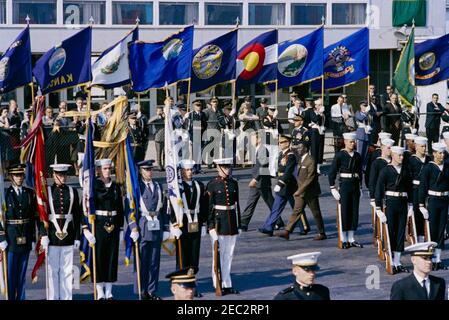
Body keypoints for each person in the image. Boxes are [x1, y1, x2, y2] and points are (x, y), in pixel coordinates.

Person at [0, 164, 46, 300]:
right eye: (16, 175)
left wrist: (41, 234)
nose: (19, 178)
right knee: (11, 274)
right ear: (11, 177)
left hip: (25, 236)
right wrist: (1, 237)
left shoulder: (30, 194)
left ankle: (21, 298)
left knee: (21, 275)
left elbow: (37, 216)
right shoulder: (5, 195)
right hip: (10, 238)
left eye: (21, 175)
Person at [82, 159, 124, 300]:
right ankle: (100, 290)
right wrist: (86, 227)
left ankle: (109, 290)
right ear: (98, 170)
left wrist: (121, 227)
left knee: (112, 256)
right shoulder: (93, 186)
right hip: (99, 224)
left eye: (109, 168)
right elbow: (86, 206)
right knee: (99, 256)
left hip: (113, 223)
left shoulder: (116, 187)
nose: (108, 171)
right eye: (105, 169)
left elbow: (120, 208)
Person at [130, 159, 170, 300]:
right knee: (142, 262)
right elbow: (130, 209)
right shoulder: (136, 187)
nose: (150, 172)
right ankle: (141, 291)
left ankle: (152, 291)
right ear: (141, 171)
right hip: (142, 228)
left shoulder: (158, 186)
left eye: (151, 169)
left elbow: (164, 208)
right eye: (147, 170)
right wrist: (133, 227)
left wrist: (166, 228)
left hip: (156, 227)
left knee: (154, 262)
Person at [170, 159, 208, 298]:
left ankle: (192, 285)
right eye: (187, 170)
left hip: (195, 224)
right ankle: (182, 285)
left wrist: (203, 223)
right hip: (183, 224)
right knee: (183, 257)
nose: (190, 172)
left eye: (191, 170)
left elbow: (203, 205)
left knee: (194, 256)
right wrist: (174, 224)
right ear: (181, 171)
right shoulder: (177, 188)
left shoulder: (199, 185)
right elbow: (172, 207)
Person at [276, 141, 327, 241]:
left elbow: (310, 178)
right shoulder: (300, 160)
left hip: (310, 192)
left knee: (316, 213)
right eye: (297, 148)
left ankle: (322, 233)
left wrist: (299, 190)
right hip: (300, 191)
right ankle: (287, 231)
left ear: (306, 149)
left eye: (300, 148)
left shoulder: (310, 160)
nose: (298, 149)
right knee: (297, 211)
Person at [260, 134, 309, 236]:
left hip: (289, 185)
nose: (279, 144)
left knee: (296, 208)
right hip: (282, 185)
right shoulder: (282, 154)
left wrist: (280, 183)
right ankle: (269, 227)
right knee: (276, 207)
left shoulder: (291, 155)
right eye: (279, 142)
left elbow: (288, 171)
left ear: (287, 143)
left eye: (282, 142)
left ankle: (303, 226)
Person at [375, 146, 413, 274]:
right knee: (391, 231)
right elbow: (379, 189)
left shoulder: (405, 171)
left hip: (402, 203)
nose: (401, 157)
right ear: (392, 155)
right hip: (391, 203)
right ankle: (390, 260)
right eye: (399, 155)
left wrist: (411, 205)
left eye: (402, 155)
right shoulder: (386, 171)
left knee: (401, 232)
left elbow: (410, 188)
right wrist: (378, 209)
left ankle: (397, 261)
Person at [46, 163, 81, 300]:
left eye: (64, 175)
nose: (62, 177)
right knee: (53, 270)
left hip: (68, 236)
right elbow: (42, 215)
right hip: (52, 236)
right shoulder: (48, 191)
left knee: (67, 270)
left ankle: (66, 297)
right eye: (59, 175)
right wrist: (43, 235)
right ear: (54, 176)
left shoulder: (72, 192)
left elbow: (77, 216)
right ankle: (53, 297)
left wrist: (77, 236)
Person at [207, 157, 242, 295]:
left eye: (228, 167)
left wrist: (238, 224)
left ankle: (227, 283)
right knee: (218, 256)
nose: (227, 170)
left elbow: (237, 205)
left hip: (231, 222)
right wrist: (210, 227)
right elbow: (209, 207)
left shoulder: (234, 183)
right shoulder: (212, 184)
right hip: (219, 223)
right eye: (224, 167)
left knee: (229, 254)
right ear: (218, 168)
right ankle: (218, 283)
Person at [328, 132, 363, 249]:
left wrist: (360, 187)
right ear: (345, 142)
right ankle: (343, 238)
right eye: (351, 142)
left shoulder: (357, 156)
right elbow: (332, 172)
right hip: (345, 185)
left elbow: (359, 172)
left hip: (354, 184)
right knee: (344, 211)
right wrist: (332, 187)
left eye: (354, 142)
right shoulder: (340, 155)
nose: (353, 144)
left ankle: (351, 238)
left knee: (354, 211)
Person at [418, 143, 449, 270]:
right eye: (439, 153)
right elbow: (423, 187)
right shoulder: (428, 168)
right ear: (434, 153)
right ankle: (430, 257)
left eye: (443, 153)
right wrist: (421, 205)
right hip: (433, 200)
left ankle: (438, 258)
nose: (442, 155)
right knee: (432, 229)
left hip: (444, 199)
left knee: (441, 229)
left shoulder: (447, 167)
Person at [240, 134, 278, 231]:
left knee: (270, 203)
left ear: (259, 139)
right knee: (251, 202)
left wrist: (255, 179)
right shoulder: (257, 149)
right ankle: (243, 223)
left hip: (262, 181)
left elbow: (263, 165)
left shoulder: (262, 149)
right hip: (258, 181)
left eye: (253, 138)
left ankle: (278, 221)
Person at [407, 136, 430, 243]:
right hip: (415, 189)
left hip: (427, 190)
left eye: (425, 146)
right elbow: (408, 178)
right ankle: (417, 238)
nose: (424, 148)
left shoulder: (429, 160)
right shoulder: (411, 160)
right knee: (417, 214)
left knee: (427, 214)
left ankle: (424, 237)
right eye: (422, 146)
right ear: (416, 147)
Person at [187, 99, 207, 173]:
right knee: (194, 153)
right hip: (194, 135)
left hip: (201, 135)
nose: (199, 107)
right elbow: (189, 127)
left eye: (200, 105)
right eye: (197, 105)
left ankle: (199, 168)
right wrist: (189, 138)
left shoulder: (203, 114)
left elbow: (205, 125)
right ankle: (194, 168)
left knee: (199, 153)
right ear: (194, 106)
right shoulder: (191, 114)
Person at [308, 99, 326, 173]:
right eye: (319, 104)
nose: (321, 106)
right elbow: (315, 120)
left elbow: (325, 121)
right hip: (314, 132)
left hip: (321, 132)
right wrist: (319, 113)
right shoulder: (312, 112)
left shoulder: (322, 113)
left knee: (320, 150)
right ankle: (314, 166)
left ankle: (318, 167)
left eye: (321, 104)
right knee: (314, 150)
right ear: (315, 105)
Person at [355, 101, 372, 170]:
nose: (365, 107)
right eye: (364, 105)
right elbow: (360, 118)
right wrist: (365, 113)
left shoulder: (368, 114)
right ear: (361, 106)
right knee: (360, 153)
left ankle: (363, 168)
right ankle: (358, 167)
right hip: (361, 134)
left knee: (366, 153)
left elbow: (371, 121)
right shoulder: (358, 113)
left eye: (366, 105)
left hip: (367, 135)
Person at [203, 97, 220, 168]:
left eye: (216, 101)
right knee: (210, 148)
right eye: (213, 101)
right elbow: (204, 120)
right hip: (209, 131)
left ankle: (215, 162)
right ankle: (209, 163)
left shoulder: (219, 111)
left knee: (216, 148)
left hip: (217, 131)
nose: (215, 103)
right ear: (210, 103)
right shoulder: (207, 111)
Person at [148, 105, 166, 171]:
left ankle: (164, 165)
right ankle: (159, 165)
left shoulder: (165, 118)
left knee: (165, 153)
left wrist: (164, 116)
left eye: (161, 111)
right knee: (159, 153)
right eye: (158, 111)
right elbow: (149, 121)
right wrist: (157, 116)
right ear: (156, 111)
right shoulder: (156, 118)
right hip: (158, 138)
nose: (160, 112)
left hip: (165, 137)